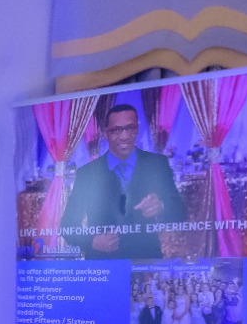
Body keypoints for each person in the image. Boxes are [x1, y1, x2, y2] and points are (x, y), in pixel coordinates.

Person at [60, 102, 185, 259]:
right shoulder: (87, 174)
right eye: (117, 130)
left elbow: (180, 212)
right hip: (104, 264)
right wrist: (92, 242)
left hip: (146, 261)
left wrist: (161, 206)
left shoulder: (157, 164)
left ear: (137, 129)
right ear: (106, 132)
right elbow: (67, 225)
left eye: (130, 128)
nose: (125, 136)